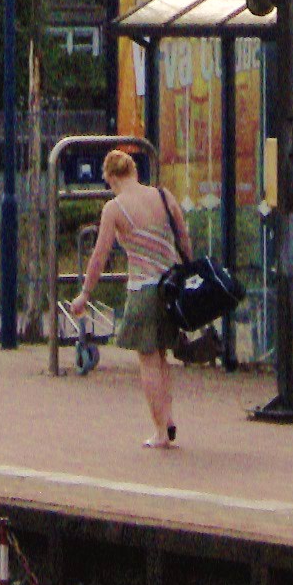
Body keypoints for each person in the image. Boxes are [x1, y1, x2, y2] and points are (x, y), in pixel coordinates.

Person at [67, 147, 189, 448]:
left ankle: (160, 430)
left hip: (143, 289)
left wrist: (85, 293)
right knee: (162, 357)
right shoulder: (164, 196)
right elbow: (184, 238)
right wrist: (189, 270)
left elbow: (99, 256)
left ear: (111, 178)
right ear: (134, 172)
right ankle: (169, 418)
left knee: (147, 360)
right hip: (171, 286)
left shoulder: (115, 208)